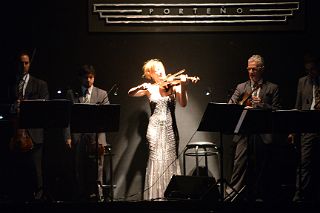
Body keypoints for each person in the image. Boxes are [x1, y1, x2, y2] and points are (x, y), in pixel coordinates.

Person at [128, 59, 195, 200]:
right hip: (154, 130)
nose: (160, 71)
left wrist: (183, 85)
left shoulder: (173, 86)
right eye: (156, 70)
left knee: (169, 160)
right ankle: (155, 198)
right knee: (156, 161)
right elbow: (130, 93)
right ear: (150, 74)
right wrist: (141, 86)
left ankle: (171, 198)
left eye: (161, 68)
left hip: (170, 129)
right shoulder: (150, 88)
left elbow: (183, 103)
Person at [226, 54, 281, 201]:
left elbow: (277, 110)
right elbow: (231, 106)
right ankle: (232, 196)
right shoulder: (241, 87)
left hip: (263, 133)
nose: (251, 72)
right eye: (249, 69)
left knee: (262, 166)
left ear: (261, 69)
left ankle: (261, 197)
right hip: (244, 131)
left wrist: (261, 104)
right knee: (239, 164)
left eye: (254, 69)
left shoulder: (272, 87)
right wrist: (244, 104)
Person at [64, 65, 109, 201]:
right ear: (80, 78)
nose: (89, 80)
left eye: (91, 77)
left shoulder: (102, 93)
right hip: (78, 137)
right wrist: (67, 137)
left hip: (96, 137)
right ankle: (81, 197)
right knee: (79, 168)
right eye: (86, 77)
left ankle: (98, 196)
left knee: (98, 168)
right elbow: (67, 118)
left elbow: (107, 117)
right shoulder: (72, 93)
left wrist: (101, 140)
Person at [9, 51, 49, 201]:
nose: (23, 66)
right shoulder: (12, 84)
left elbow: (45, 106)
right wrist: (14, 106)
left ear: (29, 64)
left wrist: (26, 106)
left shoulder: (40, 84)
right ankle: (20, 197)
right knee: (18, 169)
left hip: (34, 133)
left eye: (26, 63)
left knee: (36, 169)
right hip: (17, 132)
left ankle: (38, 199)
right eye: (21, 63)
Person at [292, 53, 320, 202]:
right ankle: (300, 195)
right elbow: (298, 105)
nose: (310, 73)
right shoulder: (303, 81)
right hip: (307, 126)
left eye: (313, 70)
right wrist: (293, 130)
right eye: (308, 70)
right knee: (304, 163)